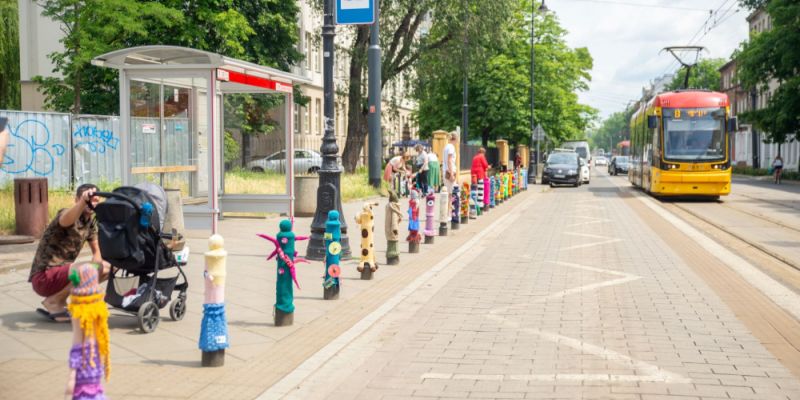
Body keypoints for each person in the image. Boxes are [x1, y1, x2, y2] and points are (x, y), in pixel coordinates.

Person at [29, 183, 111, 322]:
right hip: (44, 277)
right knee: (90, 269)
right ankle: (54, 301)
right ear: (77, 199)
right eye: (88, 199)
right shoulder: (66, 213)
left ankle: (63, 301)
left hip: (62, 276)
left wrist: (94, 275)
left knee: (107, 268)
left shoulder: (89, 222)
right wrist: (82, 202)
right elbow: (66, 220)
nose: (91, 202)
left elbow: (97, 251)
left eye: (95, 200)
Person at [442, 132, 458, 213]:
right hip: (449, 172)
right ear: (455, 139)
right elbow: (449, 161)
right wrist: (452, 174)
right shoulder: (451, 147)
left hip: (445, 171)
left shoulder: (446, 147)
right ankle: (449, 213)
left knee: (448, 193)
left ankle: (447, 212)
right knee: (452, 193)